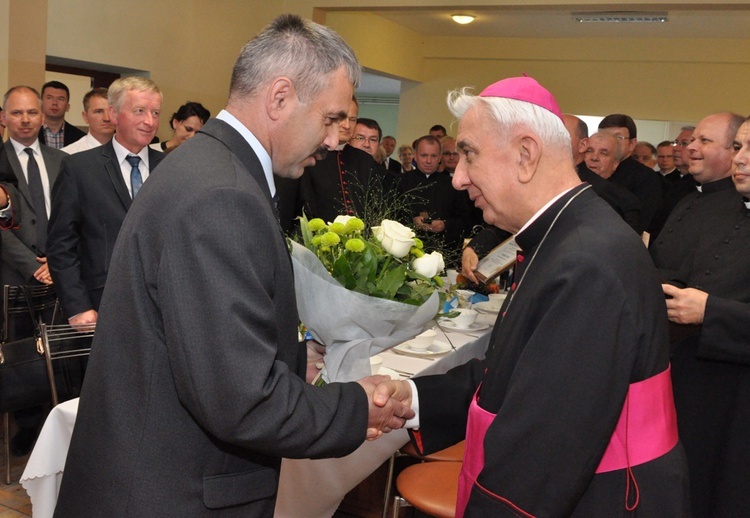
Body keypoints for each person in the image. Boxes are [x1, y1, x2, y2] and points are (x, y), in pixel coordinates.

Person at [54, 15, 411, 517]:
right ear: (280, 97)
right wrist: (356, 406)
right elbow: (242, 401)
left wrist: (288, 355)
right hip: (169, 494)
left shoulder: (212, 166)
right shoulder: (221, 193)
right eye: (331, 119)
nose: (335, 141)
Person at [377, 76, 689, 516]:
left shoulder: (586, 261)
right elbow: (513, 374)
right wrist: (413, 396)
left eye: (468, 153)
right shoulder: (565, 234)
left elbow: (541, 452)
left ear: (526, 154)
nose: (459, 178)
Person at [661, 116, 750, 516]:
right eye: (739, 149)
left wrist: (710, 311)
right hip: (702, 377)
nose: (740, 160)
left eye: (748, 150)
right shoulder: (722, 208)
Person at [47, 77, 166, 330]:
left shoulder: (171, 168)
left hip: (163, 310)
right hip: (101, 309)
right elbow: (61, 245)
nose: (150, 121)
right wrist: (77, 307)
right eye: (140, 111)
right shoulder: (79, 168)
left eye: (156, 113)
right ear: (114, 113)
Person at [0, 85, 67, 456]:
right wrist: (32, 266)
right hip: (14, 276)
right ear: (5, 118)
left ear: (43, 117)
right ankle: (27, 427)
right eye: (17, 113)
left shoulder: (61, 161)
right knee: (21, 351)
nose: (25, 120)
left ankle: (55, 425)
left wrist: (56, 262)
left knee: (57, 350)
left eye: (31, 113)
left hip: (59, 275)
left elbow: (71, 216)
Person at [649, 112, 744, 280]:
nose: (691, 147)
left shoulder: (740, 208)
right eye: (692, 140)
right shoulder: (686, 195)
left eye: (704, 140)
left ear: (734, 151)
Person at [60, 87, 115, 154]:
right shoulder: (68, 154)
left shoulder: (128, 151)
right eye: (99, 112)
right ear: (85, 117)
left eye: (112, 111)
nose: (107, 118)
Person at [37, 81, 86, 149]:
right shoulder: (30, 131)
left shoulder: (80, 137)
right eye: (49, 98)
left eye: (60, 99)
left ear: (67, 107)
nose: (54, 103)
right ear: (41, 103)